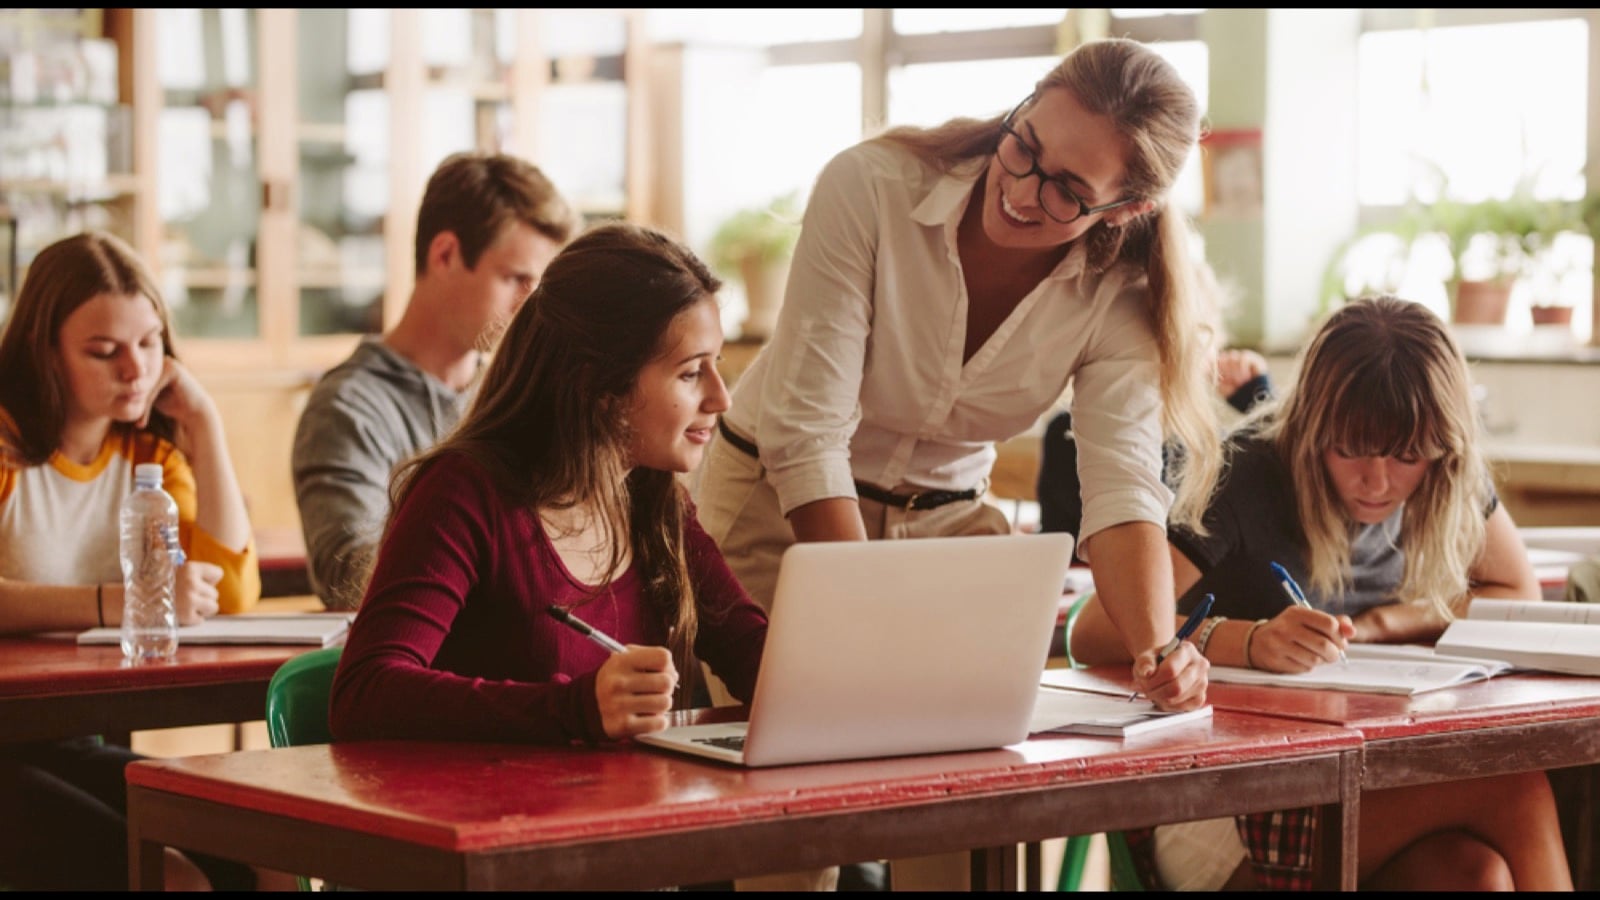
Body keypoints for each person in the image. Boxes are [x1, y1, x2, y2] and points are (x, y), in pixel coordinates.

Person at [691, 36, 1221, 891]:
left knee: (960, 810)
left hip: (943, 529)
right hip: (776, 508)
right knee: (796, 821)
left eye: (1067, 191)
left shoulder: (1122, 289)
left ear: (1122, 211)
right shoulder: (870, 185)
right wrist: (854, 621)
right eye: (1025, 144)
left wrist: (1160, 651)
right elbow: (807, 435)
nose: (1019, 189)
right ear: (1022, 106)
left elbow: (1122, 488)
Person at [1070, 295, 1573, 891]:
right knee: (1512, 788)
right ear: (1312, 429)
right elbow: (1092, 627)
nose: (1378, 482)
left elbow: (1515, 588)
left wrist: (1386, 622)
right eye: (1352, 449)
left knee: (1475, 875)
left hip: (1360, 774)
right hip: (1221, 807)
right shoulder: (1247, 472)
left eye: (1407, 457)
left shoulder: (1445, 466)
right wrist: (1248, 641)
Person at [329, 222, 767, 752]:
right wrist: (575, 708)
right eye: (691, 372)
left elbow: (753, 654)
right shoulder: (463, 494)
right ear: (600, 385)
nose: (722, 398)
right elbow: (363, 694)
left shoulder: (657, 502)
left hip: (619, 815)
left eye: (716, 366)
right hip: (489, 821)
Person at [0, 231, 269, 890]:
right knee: (173, 878)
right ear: (45, 354)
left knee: (267, 858)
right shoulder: (5, 446)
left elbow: (229, 590)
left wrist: (204, 421)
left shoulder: (149, 457)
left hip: (65, 737)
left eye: (149, 344)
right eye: (104, 351)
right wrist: (112, 601)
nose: (135, 370)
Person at [292, 151, 582, 610]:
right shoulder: (347, 408)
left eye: (540, 286)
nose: (532, 307)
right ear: (445, 254)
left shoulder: (522, 396)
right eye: (515, 279)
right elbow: (348, 578)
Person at [1037, 345, 1273, 557]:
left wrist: (1260, 400)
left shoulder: (1210, 445)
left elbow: (1282, 493)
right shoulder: (1067, 433)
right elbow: (1060, 543)